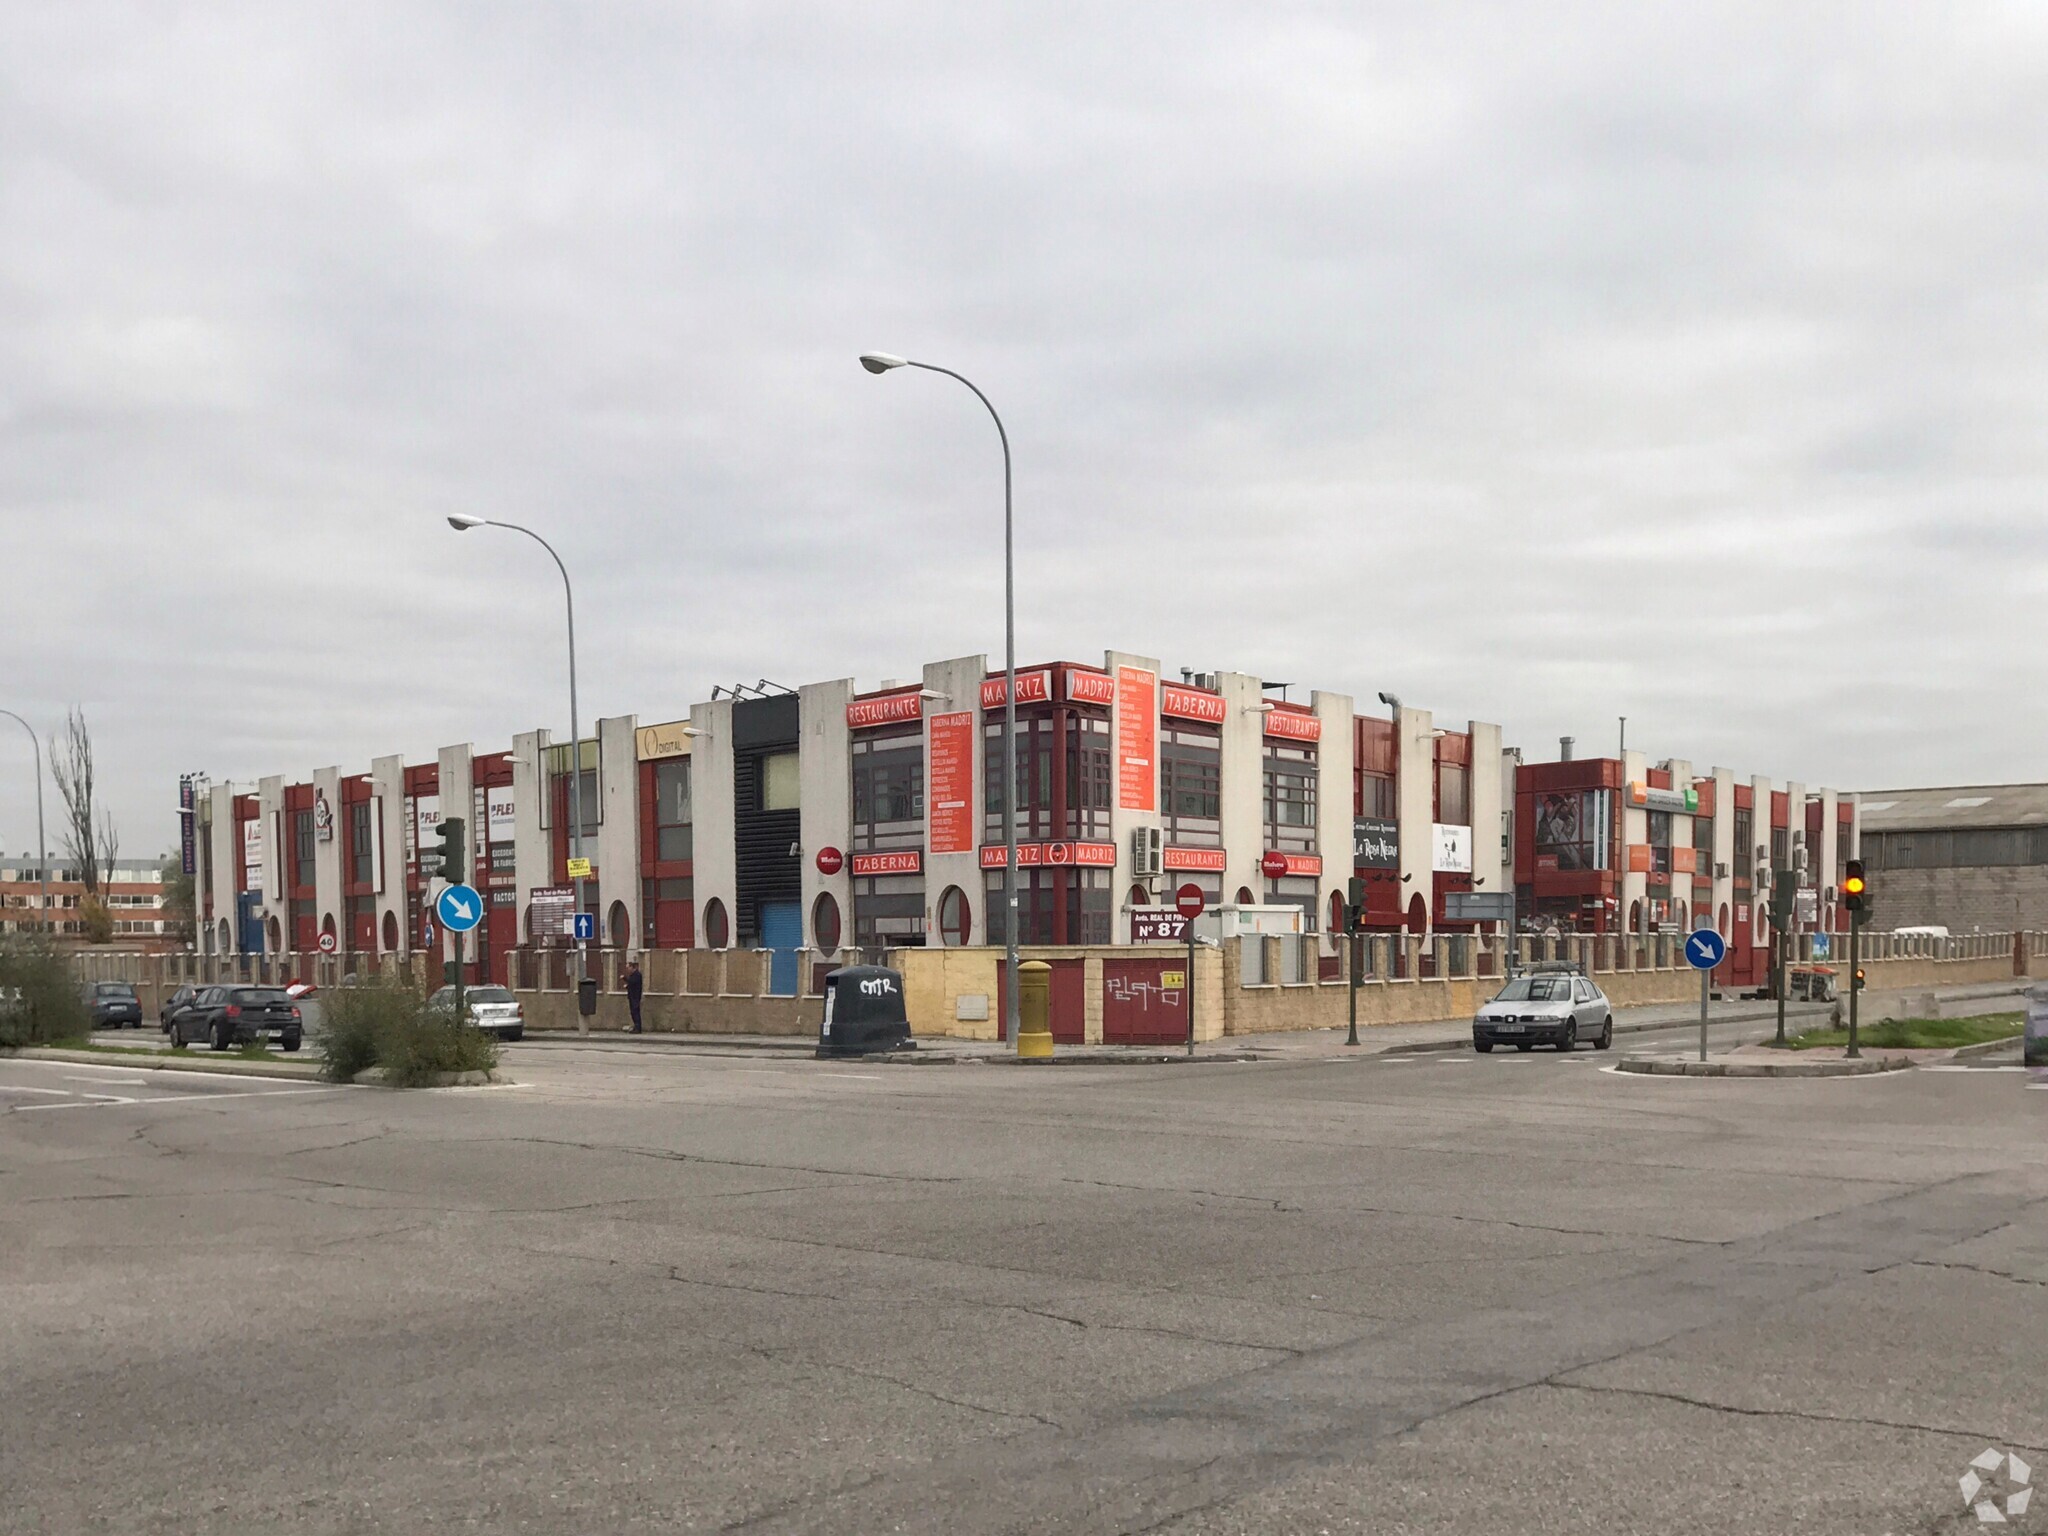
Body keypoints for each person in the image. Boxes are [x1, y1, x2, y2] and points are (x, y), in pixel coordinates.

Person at [625, 958, 644, 1034]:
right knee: (633, 1012)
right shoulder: (632, 975)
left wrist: (624, 979)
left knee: (635, 1012)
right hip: (632, 996)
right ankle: (636, 1026)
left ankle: (638, 1027)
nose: (627, 970)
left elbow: (633, 983)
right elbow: (631, 984)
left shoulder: (637, 975)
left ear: (632, 967)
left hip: (635, 997)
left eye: (628, 968)